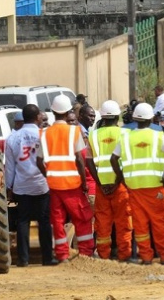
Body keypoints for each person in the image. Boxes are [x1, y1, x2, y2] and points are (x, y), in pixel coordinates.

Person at [110, 103, 164, 265]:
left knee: (140, 224)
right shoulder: (158, 136)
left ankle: (146, 257)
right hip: (155, 187)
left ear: (134, 119)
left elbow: (113, 159)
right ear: (151, 119)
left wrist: (122, 178)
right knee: (160, 222)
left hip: (134, 187)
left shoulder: (126, 138)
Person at [37, 95, 94, 262]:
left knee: (58, 220)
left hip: (54, 186)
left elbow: (38, 161)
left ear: (53, 112)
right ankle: (85, 254)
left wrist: (48, 175)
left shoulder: (45, 133)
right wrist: (84, 183)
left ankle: (62, 255)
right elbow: (79, 160)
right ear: (68, 111)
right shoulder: (74, 131)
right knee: (82, 218)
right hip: (73, 185)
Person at [5, 105, 57, 267]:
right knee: (44, 221)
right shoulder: (44, 135)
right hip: (42, 184)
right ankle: (47, 258)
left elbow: (10, 166)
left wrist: (9, 187)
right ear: (37, 118)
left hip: (22, 185)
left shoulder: (13, 138)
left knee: (22, 221)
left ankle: (23, 259)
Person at [88, 100, 133, 261]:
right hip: (120, 185)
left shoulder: (93, 135)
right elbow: (128, 161)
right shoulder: (125, 134)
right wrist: (116, 183)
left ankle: (104, 255)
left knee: (103, 223)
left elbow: (88, 161)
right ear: (117, 116)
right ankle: (124, 254)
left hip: (102, 186)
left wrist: (99, 183)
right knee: (123, 222)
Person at [77, 105, 98, 210]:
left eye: (94, 116)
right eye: (90, 116)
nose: (93, 119)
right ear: (80, 116)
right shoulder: (80, 132)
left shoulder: (88, 132)